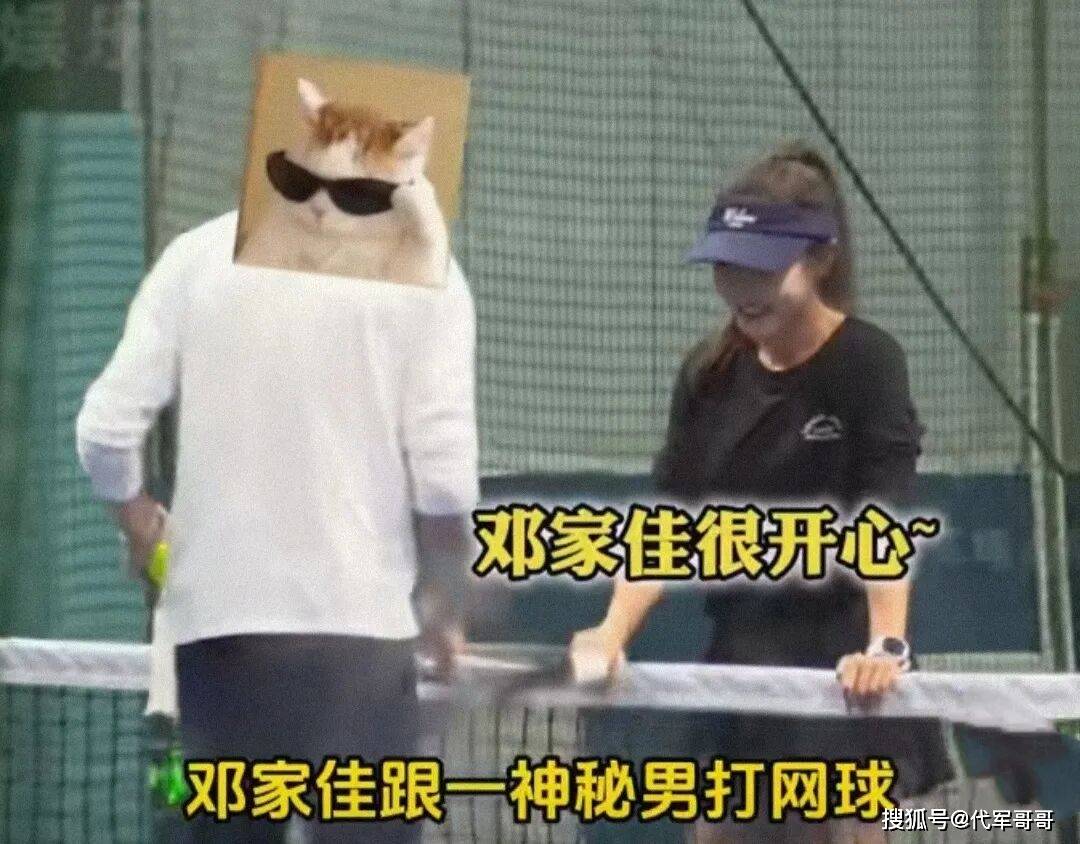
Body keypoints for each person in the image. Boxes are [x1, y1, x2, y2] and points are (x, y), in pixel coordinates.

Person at [571, 141, 951, 842]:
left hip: (845, 664)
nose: (742, 288)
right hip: (739, 663)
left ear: (820, 261)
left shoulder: (868, 362)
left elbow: (882, 514)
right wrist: (609, 632)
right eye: (727, 267)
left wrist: (885, 645)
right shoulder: (708, 372)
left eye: (763, 269)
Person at [76, 205, 478, 842]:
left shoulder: (193, 259)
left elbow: (105, 432)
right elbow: (445, 479)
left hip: (219, 653)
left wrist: (138, 522)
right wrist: (444, 602)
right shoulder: (425, 266)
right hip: (363, 652)